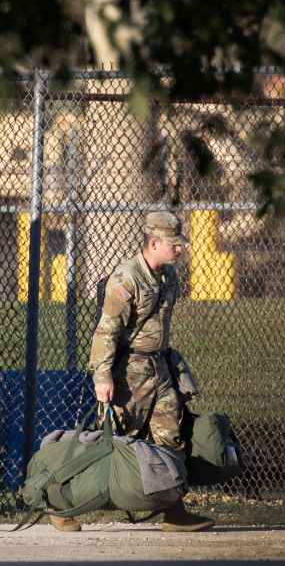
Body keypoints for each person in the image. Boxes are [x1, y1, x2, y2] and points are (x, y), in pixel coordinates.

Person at [48, 211, 215, 533]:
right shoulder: (127, 278)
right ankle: (61, 503)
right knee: (114, 442)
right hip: (129, 372)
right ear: (154, 243)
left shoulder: (168, 277)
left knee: (171, 437)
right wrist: (102, 377)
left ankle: (174, 510)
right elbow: (106, 331)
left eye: (180, 244)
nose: (179, 250)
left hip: (160, 368)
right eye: (173, 245)